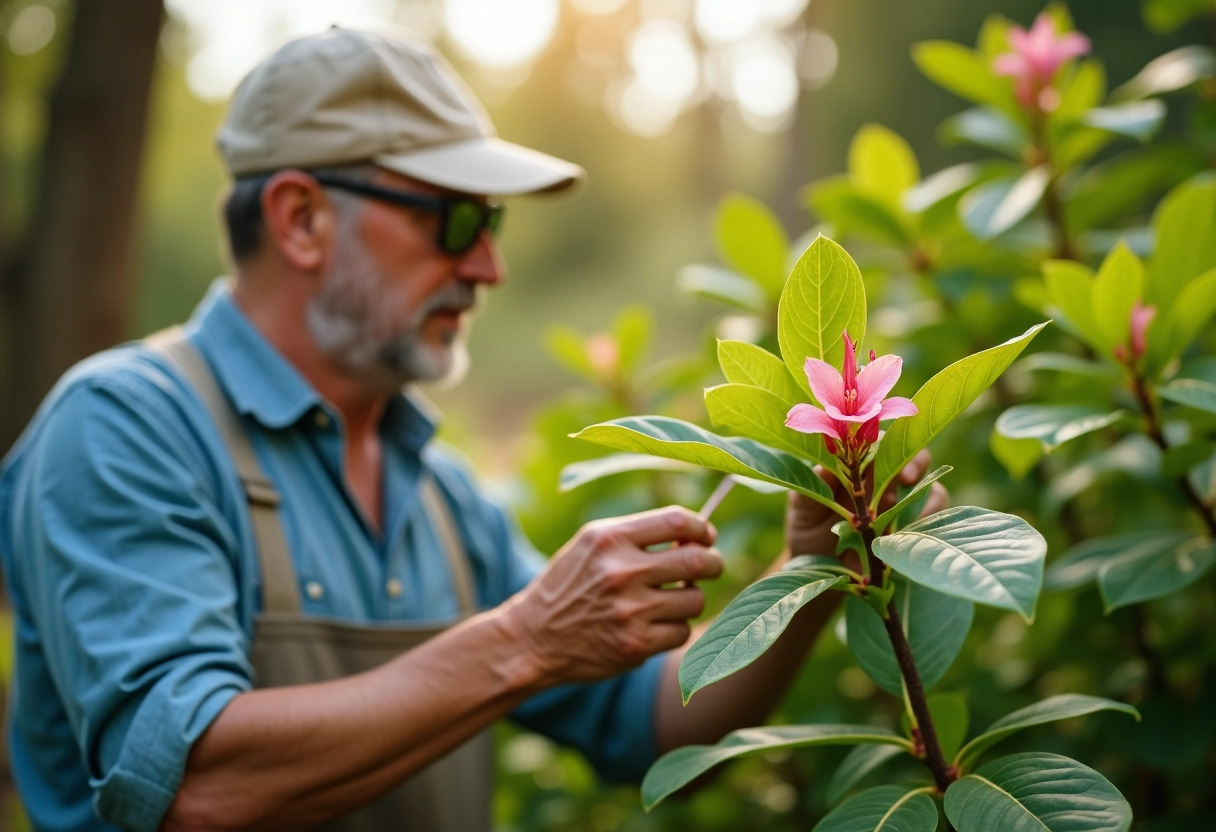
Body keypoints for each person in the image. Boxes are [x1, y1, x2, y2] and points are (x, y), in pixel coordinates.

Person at [0, 27, 941, 832]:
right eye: (454, 219)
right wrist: (525, 639)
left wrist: (815, 565)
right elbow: (192, 786)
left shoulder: (442, 495)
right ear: (301, 219)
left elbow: (653, 718)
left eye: (491, 222)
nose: (488, 265)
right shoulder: (124, 427)